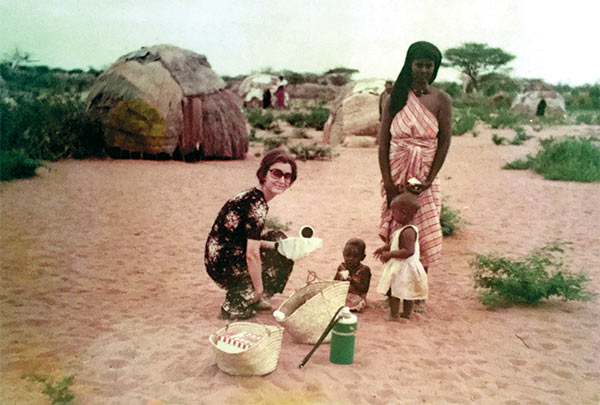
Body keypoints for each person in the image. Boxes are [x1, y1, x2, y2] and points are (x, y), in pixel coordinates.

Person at [378, 41, 452, 281]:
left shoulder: (441, 100)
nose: (423, 70)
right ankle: (393, 287)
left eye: (428, 66)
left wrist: (429, 180)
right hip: (397, 171)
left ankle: (418, 290)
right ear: (409, 65)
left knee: (426, 231)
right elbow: (384, 142)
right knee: (396, 227)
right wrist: (388, 183)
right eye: (418, 65)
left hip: (425, 173)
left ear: (435, 67)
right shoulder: (395, 97)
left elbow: (443, 143)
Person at [205, 149, 297, 320]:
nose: (282, 180)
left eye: (287, 176)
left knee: (280, 241)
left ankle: (250, 294)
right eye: (276, 173)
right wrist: (259, 289)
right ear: (264, 174)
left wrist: (278, 246)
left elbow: (246, 241)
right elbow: (252, 255)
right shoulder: (257, 206)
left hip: (221, 257)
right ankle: (239, 301)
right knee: (279, 255)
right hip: (224, 264)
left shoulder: (252, 197)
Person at [374, 193, 428, 320]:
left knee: (395, 291)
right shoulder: (407, 229)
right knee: (408, 292)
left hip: (403, 268)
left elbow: (408, 251)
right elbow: (396, 244)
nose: (393, 215)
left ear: (403, 213)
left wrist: (390, 254)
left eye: (394, 212)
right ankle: (406, 314)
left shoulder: (408, 231)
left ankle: (394, 315)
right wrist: (384, 248)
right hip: (406, 268)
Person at [334, 238, 372, 312]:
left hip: (357, 297)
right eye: (347, 255)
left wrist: (352, 281)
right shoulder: (342, 267)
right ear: (343, 254)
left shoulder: (364, 270)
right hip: (343, 294)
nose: (350, 259)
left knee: (354, 302)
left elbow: (364, 289)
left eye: (355, 256)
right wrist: (339, 277)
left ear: (362, 257)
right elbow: (334, 283)